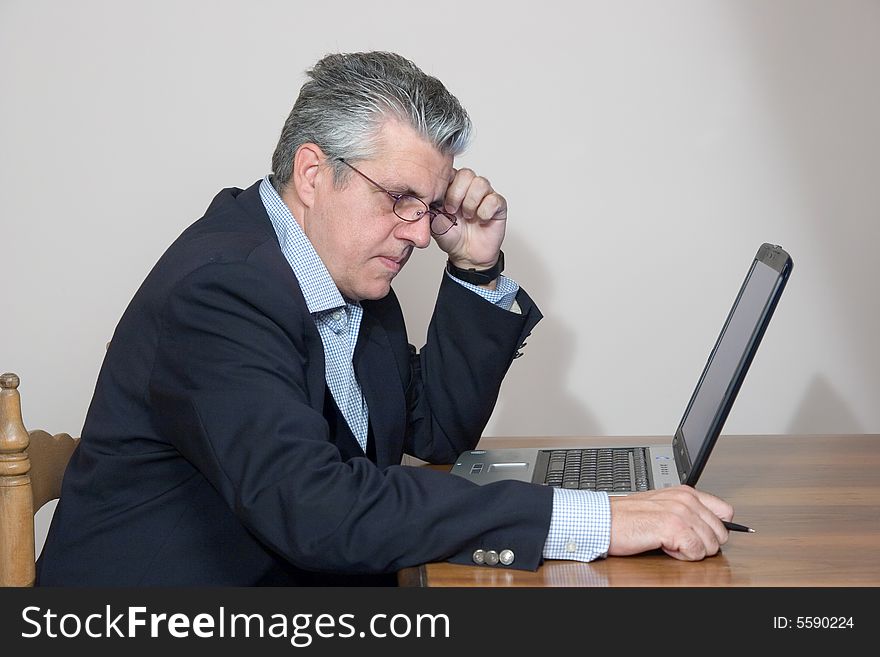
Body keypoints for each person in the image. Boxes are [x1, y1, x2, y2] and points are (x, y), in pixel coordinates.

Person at [37, 51, 734, 586]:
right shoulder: (225, 289)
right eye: (399, 197)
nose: (419, 232)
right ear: (313, 174)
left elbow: (433, 428)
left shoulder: (341, 267)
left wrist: (477, 267)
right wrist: (589, 519)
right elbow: (315, 509)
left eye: (429, 207)